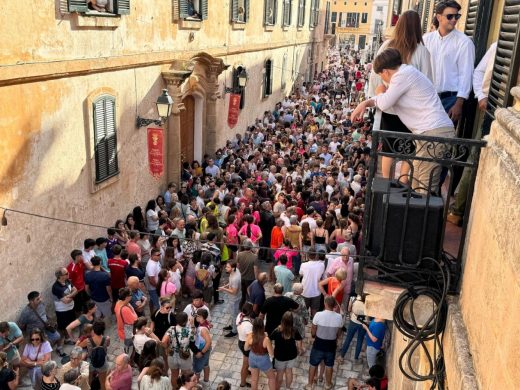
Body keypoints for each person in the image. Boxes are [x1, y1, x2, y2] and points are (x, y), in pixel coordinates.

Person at [352, 48, 455, 193]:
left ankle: (424, 216)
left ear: (385, 72)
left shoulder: (401, 76)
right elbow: (385, 99)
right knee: (418, 182)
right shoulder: (407, 73)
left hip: (433, 134)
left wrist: (378, 93)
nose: (383, 80)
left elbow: (385, 102)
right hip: (432, 133)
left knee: (424, 188)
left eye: (381, 76)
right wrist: (367, 102)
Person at [368, 10, 433, 180]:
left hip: (389, 107)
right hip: (411, 110)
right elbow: (429, 82)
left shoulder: (387, 46)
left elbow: (375, 75)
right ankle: (402, 183)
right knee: (409, 150)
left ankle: (386, 182)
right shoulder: (422, 52)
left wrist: (375, 97)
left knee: (389, 148)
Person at [423, 0, 475, 123]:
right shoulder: (426, 40)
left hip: (450, 100)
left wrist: (459, 104)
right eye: (450, 16)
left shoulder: (464, 43)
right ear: (439, 17)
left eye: (456, 16)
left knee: (442, 139)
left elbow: (466, 74)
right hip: (427, 98)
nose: (454, 19)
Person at [306, 296, 343, 390]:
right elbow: (339, 333)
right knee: (329, 365)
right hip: (331, 345)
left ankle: (309, 385)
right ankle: (327, 384)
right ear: (334, 305)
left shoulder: (318, 315)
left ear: (325, 304)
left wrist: (314, 336)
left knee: (313, 364)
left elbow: (313, 330)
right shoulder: (339, 317)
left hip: (319, 344)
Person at [269, 312, 303, 390]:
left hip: (279, 356)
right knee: (289, 371)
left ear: (282, 320)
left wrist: (271, 350)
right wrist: (298, 350)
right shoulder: (294, 330)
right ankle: (288, 387)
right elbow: (299, 344)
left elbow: (269, 340)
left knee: (279, 374)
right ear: (292, 321)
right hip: (292, 355)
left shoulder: (277, 331)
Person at [162, 312, 196, 390]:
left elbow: (163, 342)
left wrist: (167, 348)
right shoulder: (189, 331)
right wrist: (193, 325)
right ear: (186, 321)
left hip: (172, 356)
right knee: (186, 376)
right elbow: (193, 339)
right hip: (184, 357)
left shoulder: (171, 329)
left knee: (174, 375)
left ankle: (175, 388)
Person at [244, 318, 276, 390]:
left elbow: (245, 348)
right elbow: (271, 354)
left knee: (254, 379)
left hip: (252, 357)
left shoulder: (250, 336)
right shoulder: (266, 339)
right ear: (262, 326)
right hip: (263, 359)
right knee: (271, 378)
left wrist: (252, 347)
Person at [51, 268, 78, 340]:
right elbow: (66, 301)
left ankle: (70, 337)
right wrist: (73, 295)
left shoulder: (67, 281)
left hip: (71, 307)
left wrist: (69, 296)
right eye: (66, 273)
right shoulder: (56, 287)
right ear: (60, 276)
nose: (68, 274)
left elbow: (76, 290)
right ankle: (67, 339)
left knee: (71, 323)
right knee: (64, 327)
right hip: (62, 311)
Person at [299, 248, 325, 318]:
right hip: (316, 292)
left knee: (304, 311)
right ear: (316, 255)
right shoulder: (321, 265)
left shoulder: (303, 265)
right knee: (314, 312)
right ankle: (313, 326)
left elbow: (301, 274)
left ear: (308, 255)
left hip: (305, 291)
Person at [218, 262, 241, 338]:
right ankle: (232, 325)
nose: (226, 268)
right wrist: (226, 285)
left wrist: (223, 289)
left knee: (234, 315)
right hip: (232, 298)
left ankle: (234, 331)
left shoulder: (235, 278)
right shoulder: (235, 270)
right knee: (232, 313)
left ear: (233, 268)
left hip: (234, 299)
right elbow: (231, 283)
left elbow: (234, 292)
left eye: (228, 267)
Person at [114, 288, 138, 354]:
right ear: (127, 297)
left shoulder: (118, 302)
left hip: (121, 330)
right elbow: (135, 319)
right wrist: (132, 308)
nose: (132, 295)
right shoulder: (125, 309)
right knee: (130, 348)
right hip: (127, 333)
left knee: (126, 345)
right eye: (131, 294)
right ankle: (129, 359)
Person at [236, 303, 254, 389]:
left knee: (245, 360)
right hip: (245, 344)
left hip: (240, 340)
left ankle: (246, 371)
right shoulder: (248, 325)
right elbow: (249, 341)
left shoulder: (239, 315)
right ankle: (243, 383)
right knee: (245, 364)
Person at [192, 309, 211, 386]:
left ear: (201, 317)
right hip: (204, 349)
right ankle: (206, 381)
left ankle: (195, 385)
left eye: (197, 316)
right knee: (206, 365)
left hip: (202, 350)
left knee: (197, 370)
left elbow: (209, 342)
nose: (195, 317)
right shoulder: (204, 323)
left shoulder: (203, 329)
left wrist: (201, 353)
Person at [236, 239, 258, 308]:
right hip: (250, 279)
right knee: (249, 295)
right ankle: (248, 309)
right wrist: (257, 280)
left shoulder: (239, 254)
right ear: (251, 246)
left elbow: (238, 267)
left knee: (243, 294)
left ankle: (241, 307)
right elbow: (255, 270)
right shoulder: (255, 257)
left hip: (242, 278)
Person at [146, 248, 163, 313]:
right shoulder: (151, 265)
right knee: (158, 305)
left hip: (156, 286)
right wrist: (157, 287)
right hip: (153, 288)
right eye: (158, 255)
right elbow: (151, 280)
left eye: (160, 254)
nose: (160, 256)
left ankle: (151, 313)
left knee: (152, 301)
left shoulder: (156, 261)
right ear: (152, 256)